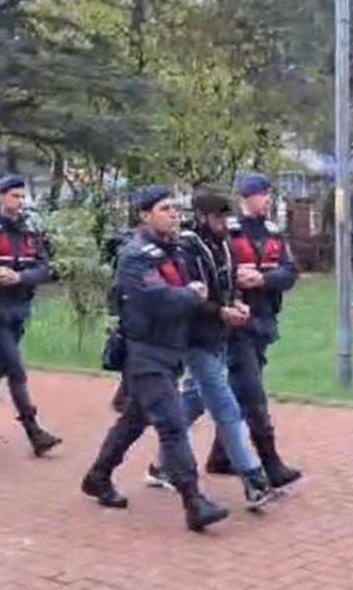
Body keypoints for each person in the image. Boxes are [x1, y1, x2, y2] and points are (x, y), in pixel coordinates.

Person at [80, 185, 231, 533]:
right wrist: (191, 296)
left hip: (169, 351)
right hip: (146, 354)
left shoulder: (173, 250)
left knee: (134, 419)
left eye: (174, 209)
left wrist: (200, 298)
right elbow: (157, 299)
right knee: (172, 424)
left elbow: (194, 287)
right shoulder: (136, 255)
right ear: (145, 215)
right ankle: (194, 501)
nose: (173, 214)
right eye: (165, 209)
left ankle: (98, 475)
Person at [143, 189, 278, 510]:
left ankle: (161, 465)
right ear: (203, 217)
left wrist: (236, 305)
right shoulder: (187, 249)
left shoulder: (223, 245)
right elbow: (189, 297)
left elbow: (225, 283)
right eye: (218, 217)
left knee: (194, 398)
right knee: (225, 404)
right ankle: (253, 479)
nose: (224, 223)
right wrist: (219, 311)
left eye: (226, 217)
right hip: (195, 337)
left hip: (220, 333)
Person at [204, 173, 302, 489]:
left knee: (236, 391)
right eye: (262, 195)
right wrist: (237, 276)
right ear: (247, 198)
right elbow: (212, 268)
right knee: (252, 393)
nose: (267, 200)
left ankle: (220, 456)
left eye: (268, 194)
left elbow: (289, 272)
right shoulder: (229, 231)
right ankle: (271, 465)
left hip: (263, 319)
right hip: (235, 322)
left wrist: (262, 279)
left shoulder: (273, 232)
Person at [0, 174, 62, 457]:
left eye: (22, 196)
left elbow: (46, 269)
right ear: (1, 197)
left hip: (20, 304)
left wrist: (20, 277)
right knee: (15, 368)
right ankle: (34, 431)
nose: (19, 202)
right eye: (14, 196)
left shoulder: (31, 229)